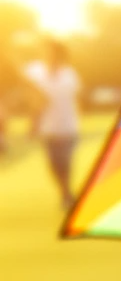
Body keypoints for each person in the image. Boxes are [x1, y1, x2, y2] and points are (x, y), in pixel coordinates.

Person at [24, 39, 80, 209]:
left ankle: (66, 193)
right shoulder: (34, 71)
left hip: (68, 126)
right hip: (47, 128)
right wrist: (34, 123)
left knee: (65, 162)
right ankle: (64, 191)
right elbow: (32, 98)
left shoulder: (69, 74)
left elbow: (73, 98)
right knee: (53, 164)